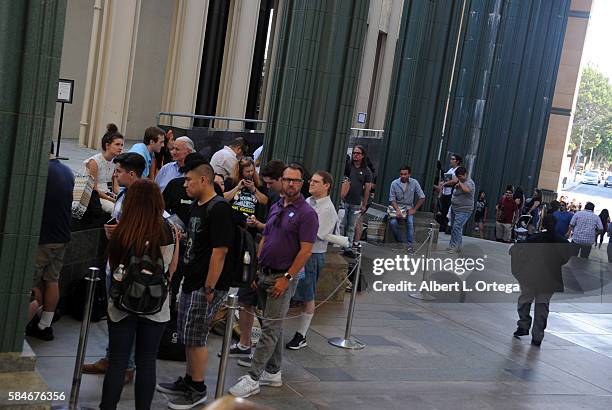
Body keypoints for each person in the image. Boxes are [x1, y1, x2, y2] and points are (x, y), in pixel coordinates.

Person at [229, 164, 318, 398]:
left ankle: (253, 377)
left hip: (282, 277)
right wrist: (257, 270)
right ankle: (273, 371)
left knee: (269, 328)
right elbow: (267, 236)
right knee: (271, 324)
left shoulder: (307, 214)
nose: (291, 184)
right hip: (265, 273)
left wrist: (287, 278)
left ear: (302, 184)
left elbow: (306, 251)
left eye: (296, 181)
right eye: (287, 179)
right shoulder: (277, 205)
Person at [157, 161, 234, 409]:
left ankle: (198, 388)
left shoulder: (219, 208)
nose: (185, 184)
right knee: (188, 334)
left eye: (189, 180)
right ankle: (189, 380)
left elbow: (220, 251)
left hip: (206, 285)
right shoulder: (198, 207)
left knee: (197, 336)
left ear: (204, 180)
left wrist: (210, 287)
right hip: (192, 281)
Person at [99, 180, 180, 410]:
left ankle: (107, 407)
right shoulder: (168, 229)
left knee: (118, 361)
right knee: (146, 362)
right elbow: (171, 269)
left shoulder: (123, 228)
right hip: (156, 304)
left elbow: (113, 267)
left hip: (122, 304)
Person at [83, 152, 146, 383]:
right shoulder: (124, 193)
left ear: (131, 173)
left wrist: (118, 232)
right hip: (115, 264)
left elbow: (142, 233)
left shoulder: (141, 198)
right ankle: (112, 357)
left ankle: (126, 365)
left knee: (125, 318)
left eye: (118, 172)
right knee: (115, 316)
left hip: (128, 269)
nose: (115, 175)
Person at [226, 160, 285, 360]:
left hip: (265, 258)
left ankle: (265, 363)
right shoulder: (233, 182)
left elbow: (270, 229)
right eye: (246, 172)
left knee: (267, 311)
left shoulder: (275, 200)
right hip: (251, 249)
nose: (250, 175)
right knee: (246, 300)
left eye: (252, 171)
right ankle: (246, 345)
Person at [26, 142, 75, 341]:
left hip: (43, 238)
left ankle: (12, 334)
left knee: (26, 286)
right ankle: (45, 325)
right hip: (61, 236)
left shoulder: (40, 172)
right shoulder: (67, 171)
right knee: (52, 280)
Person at [286, 171, 339, 349]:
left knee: (308, 295)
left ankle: (301, 334)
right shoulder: (308, 201)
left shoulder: (328, 209)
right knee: (292, 291)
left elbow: (315, 235)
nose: (311, 184)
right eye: (311, 181)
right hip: (296, 252)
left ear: (326, 186)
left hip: (312, 255)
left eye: (316, 182)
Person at [511, 215, 571, 346]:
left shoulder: (534, 239)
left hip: (531, 276)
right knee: (542, 307)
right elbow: (566, 257)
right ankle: (537, 336)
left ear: (542, 224)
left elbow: (520, 253)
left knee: (524, 302)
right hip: (550, 279)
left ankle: (523, 325)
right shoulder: (562, 242)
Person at [84, 123, 124, 213]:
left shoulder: (115, 162)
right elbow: (93, 189)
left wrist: (121, 196)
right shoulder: (94, 161)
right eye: (117, 144)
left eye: (121, 145)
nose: (120, 148)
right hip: (94, 196)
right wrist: (112, 199)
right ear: (107, 145)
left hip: (106, 194)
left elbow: (115, 187)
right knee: (118, 210)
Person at [340, 145, 372, 252]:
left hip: (356, 202)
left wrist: (364, 204)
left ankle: (348, 246)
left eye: (358, 153)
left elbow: (367, 189)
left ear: (362, 156)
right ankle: (340, 245)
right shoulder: (348, 167)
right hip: (345, 200)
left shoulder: (366, 171)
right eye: (354, 153)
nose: (355, 155)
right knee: (342, 224)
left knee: (351, 226)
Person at [388, 165, 425, 253]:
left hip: (409, 207)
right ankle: (400, 243)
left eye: (405, 174)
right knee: (393, 222)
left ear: (409, 174)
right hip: (397, 206)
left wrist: (414, 209)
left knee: (410, 222)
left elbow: (422, 197)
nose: (403, 176)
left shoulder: (414, 182)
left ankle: (409, 245)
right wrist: (397, 210)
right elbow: (392, 199)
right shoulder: (394, 183)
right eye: (401, 174)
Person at [223, 157, 269, 230]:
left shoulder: (259, 183)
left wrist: (254, 189)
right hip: (232, 222)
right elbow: (223, 198)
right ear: (241, 171)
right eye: (247, 171)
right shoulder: (231, 181)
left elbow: (265, 201)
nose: (250, 173)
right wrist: (237, 188)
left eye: (252, 171)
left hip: (250, 223)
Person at [447, 167, 475, 253]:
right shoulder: (460, 182)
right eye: (457, 177)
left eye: (460, 176)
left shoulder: (469, 182)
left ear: (465, 175)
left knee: (457, 227)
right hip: (455, 208)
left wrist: (459, 182)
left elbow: (467, 190)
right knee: (454, 227)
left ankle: (455, 246)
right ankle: (454, 245)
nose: (459, 178)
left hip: (464, 210)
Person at [437, 154, 462, 233]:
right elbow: (445, 179)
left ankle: (449, 228)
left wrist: (444, 183)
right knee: (443, 210)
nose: (451, 160)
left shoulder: (458, 170)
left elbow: (455, 181)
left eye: (453, 159)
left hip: (452, 193)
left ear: (457, 161)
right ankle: (442, 227)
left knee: (449, 211)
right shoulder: (450, 170)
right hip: (445, 192)